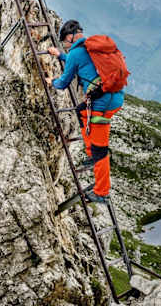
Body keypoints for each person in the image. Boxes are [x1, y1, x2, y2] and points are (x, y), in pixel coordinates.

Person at [46, 20, 124, 203]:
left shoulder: (76, 52)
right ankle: (91, 155)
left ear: (69, 37)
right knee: (82, 111)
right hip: (113, 97)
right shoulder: (90, 47)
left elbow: (63, 83)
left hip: (101, 105)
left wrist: (52, 82)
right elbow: (81, 62)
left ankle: (102, 193)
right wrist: (61, 56)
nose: (64, 45)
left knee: (100, 149)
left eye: (64, 42)